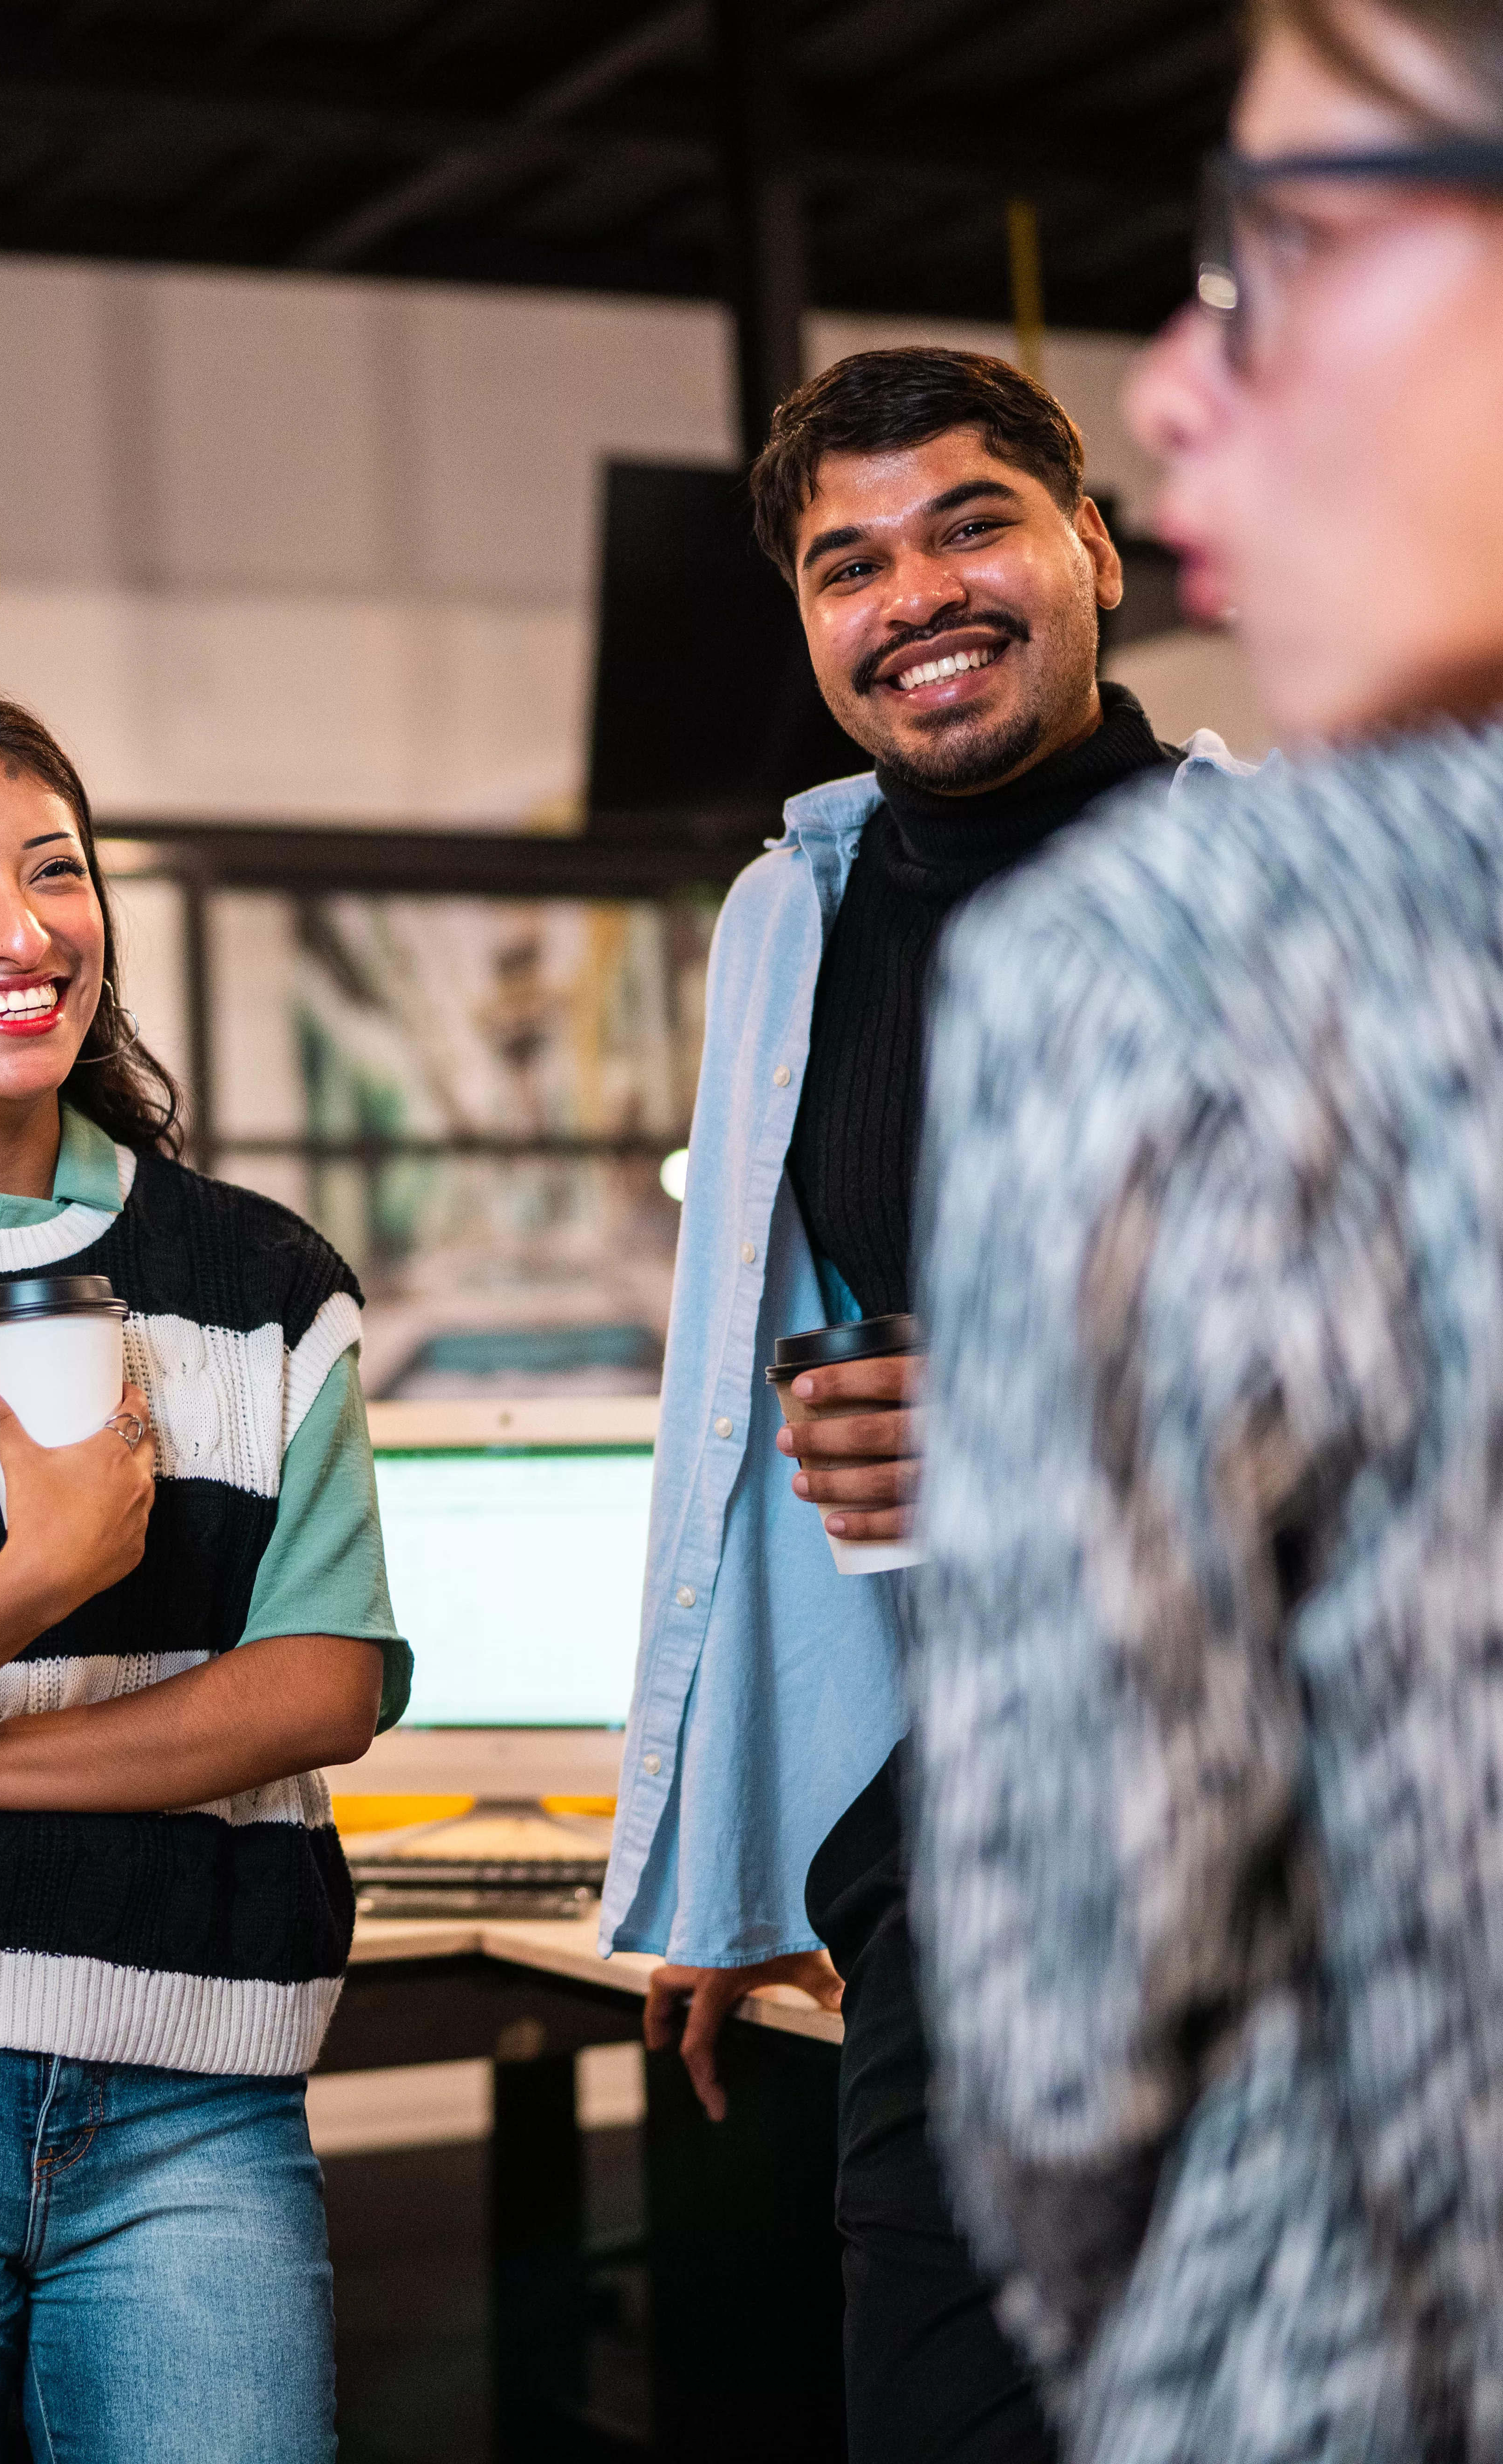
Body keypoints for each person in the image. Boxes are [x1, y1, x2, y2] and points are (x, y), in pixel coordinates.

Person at [908, 2, 1503, 2457]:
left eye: (1271, 250)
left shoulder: (1190, 945)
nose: (1176, 386)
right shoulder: (804, 914)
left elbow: (1073, 1991)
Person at [598, 345, 1247, 2461]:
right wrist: (730, 1824)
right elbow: (750, 1400)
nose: (918, 593)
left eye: (973, 522)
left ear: (1095, 550)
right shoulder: (789, 919)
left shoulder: (1302, 888)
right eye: (847, 561)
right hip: (955, 1856)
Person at [0, 689, 409, 2464]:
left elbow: (318, 1681)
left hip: (198, 2090)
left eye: (57, 871)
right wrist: (37, 1575)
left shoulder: (265, 1280)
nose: (16, 930)